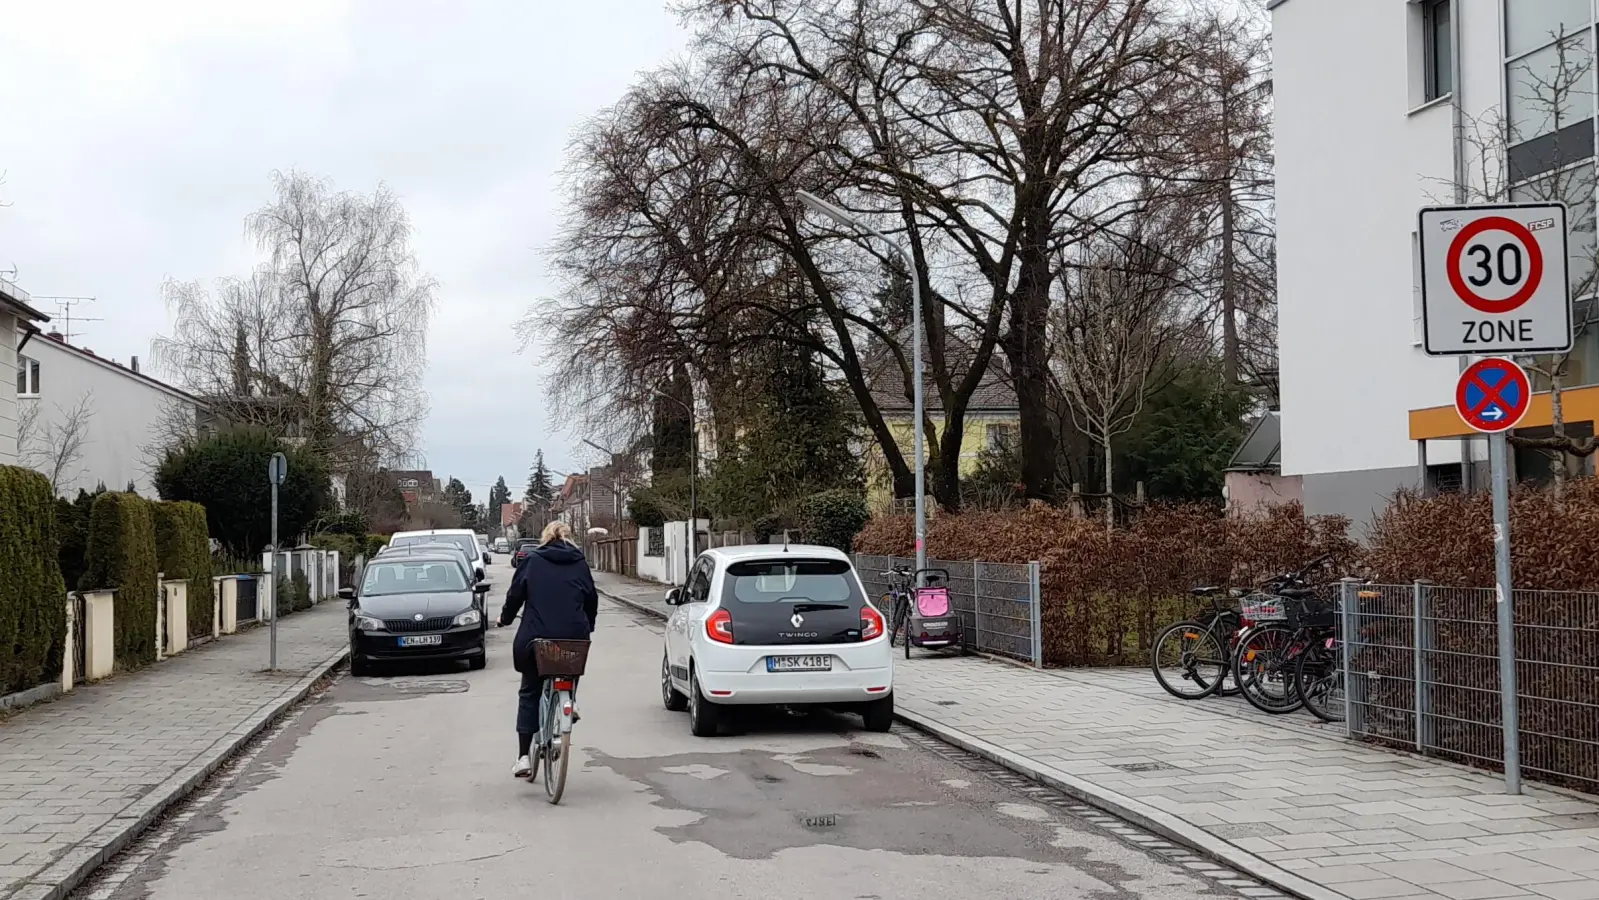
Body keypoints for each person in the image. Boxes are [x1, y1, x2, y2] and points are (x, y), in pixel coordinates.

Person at [497, 521, 597, 778]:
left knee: (529, 689)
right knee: (570, 662)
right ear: (569, 538)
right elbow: (591, 599)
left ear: (545, 537)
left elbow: (515, 595)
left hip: (536, 638)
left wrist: (505, 619)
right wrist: (589, 625)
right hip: (573, 636)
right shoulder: (579, 562)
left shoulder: (532, 560)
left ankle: (522, 758)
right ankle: (570, 701)